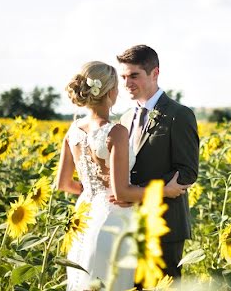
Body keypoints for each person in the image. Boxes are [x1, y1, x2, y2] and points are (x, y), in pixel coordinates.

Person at [55, 61, 188, 291]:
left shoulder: (73, 130)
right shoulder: (115, 131)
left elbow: (63, 183)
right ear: (110, 91)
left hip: (83, 220)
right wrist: (165, 190)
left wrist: (94, 192)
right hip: (113, 222)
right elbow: (122, 192)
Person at [116, 45, 200, 284]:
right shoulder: (124, 117)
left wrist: (137, 192)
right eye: (123, 77)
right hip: (128, 223)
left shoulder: (178, 114)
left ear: (155, 73)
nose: (127, 83)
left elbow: (187, 172)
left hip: (165, 224)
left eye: (134, 76)